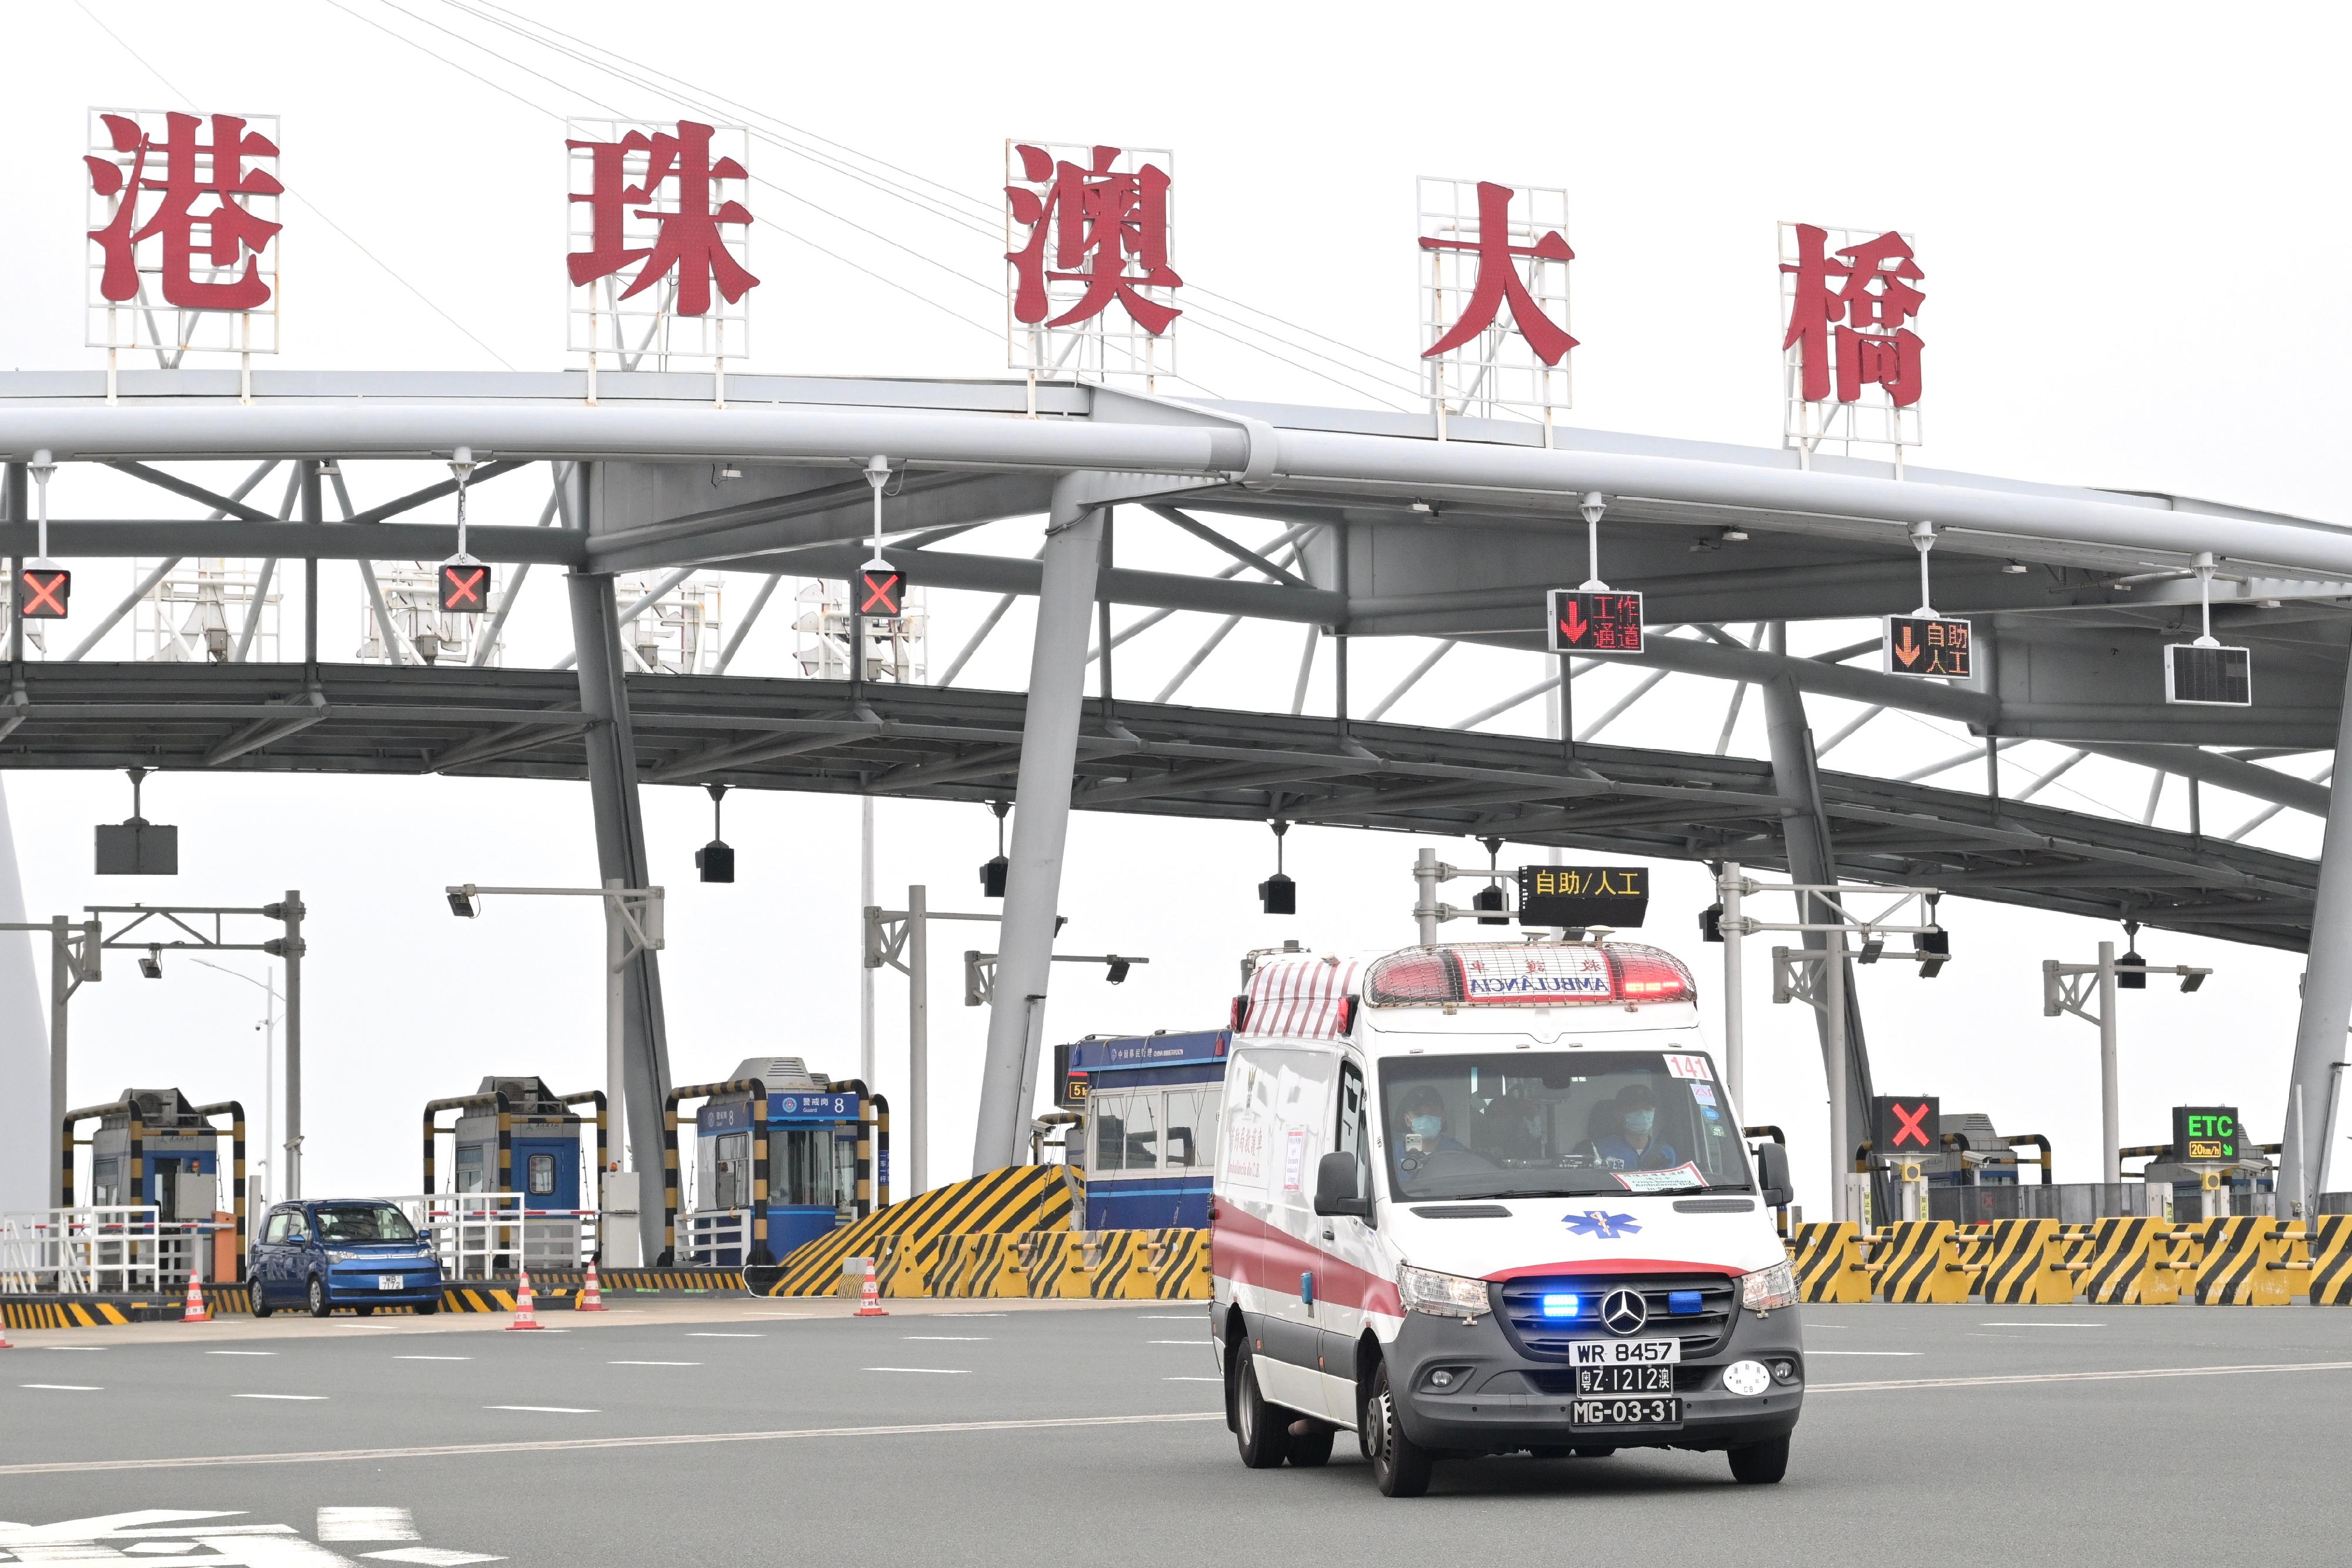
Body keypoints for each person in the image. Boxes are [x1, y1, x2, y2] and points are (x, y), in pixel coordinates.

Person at [1593, 1083, 1681, 1171]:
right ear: (1619, 1114)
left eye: (1647, 1108)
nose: (1642, 1113)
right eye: (1634, 1108)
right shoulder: (1599, 1150)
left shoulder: (1667, 1152)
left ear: (1654, 1112)